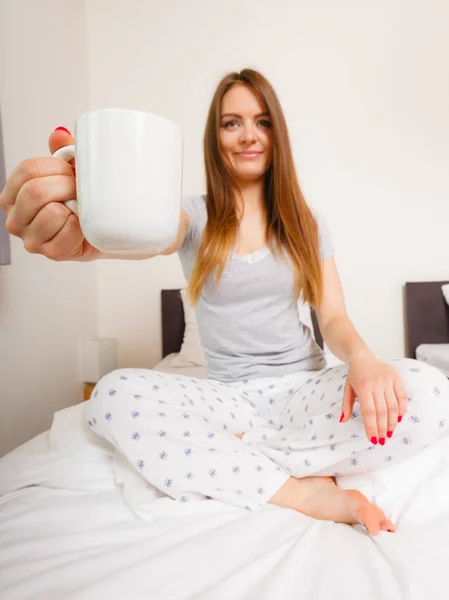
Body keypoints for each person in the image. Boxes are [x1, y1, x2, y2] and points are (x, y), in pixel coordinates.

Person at [2, 68, 448, 536]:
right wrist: (95, 223)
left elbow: (332, 316)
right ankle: (301, 490)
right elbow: (148, 231)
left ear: (277, 132)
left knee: (431, 391)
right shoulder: (194, 216)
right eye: (231, 123)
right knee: (112, 396)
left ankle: (234, 456)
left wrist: (364, 360)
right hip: (227, 398)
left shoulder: (307, 221)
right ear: (215, 137)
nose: (248, 135)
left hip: (303, 388)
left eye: (262, 121)